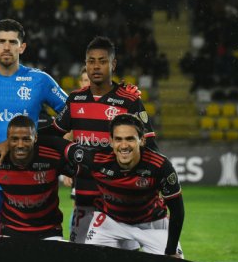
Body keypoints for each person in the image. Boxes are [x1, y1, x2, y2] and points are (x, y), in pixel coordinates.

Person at [0, 18, 67, 236]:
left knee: (23, 256)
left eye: (13, 41)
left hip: (27, 183)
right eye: (1, 41)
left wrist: (40, 138)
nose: (7, 47)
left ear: (22, 46)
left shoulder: (40, 80)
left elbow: (71, 112)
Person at [46, 36, 158, 244]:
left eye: (102, 61)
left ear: (113, 64)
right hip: (85, 198)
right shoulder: (75, 99)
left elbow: (150, 146)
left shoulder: (129, 101)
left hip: (121, 201)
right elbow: (53, 133)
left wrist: (155, 185)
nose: (96, 67)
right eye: (91, 61)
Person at [65, 114, 184, 257]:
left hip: (152, 222)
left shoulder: (160, 166)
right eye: (118, 139)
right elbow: (61, 146)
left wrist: (171, 251)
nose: (124, 145)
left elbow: (177, 211)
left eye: (130, 139)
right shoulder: (97, 159)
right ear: (111, 141)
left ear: (142, 140)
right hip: (110, 222)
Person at [0, 115, 74, 240]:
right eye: (14, 139)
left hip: (49, 231)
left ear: (35, 138)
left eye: (26, 139)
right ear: (7, 140)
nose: (20, 145)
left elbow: (85, 173)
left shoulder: (53, 159)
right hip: (11, 230)